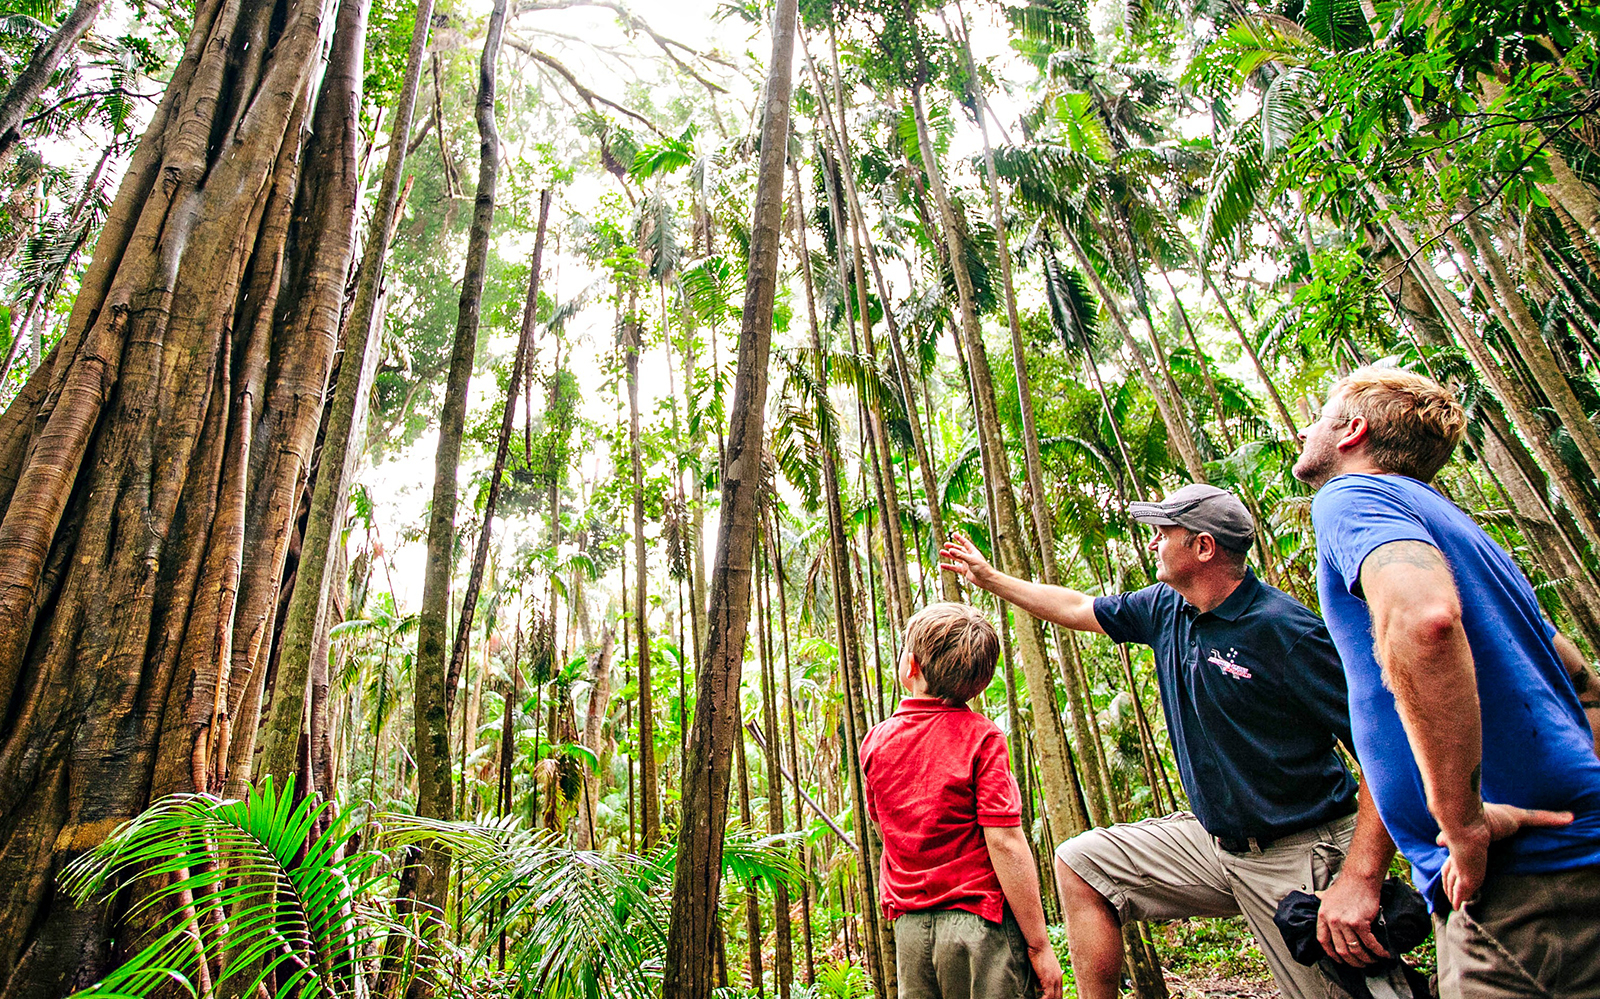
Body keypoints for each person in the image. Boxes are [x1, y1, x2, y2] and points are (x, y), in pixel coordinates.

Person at [939, 486, 1391, 999]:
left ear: (1203, 547)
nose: (1153, 540)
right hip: (1214, 843)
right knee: (1083, 863)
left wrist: (1360, 877)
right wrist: (990, 578)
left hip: (1299, 850)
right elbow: (1077, 606)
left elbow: (1389, 754)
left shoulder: (1285, 630)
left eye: (1164, 531)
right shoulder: (1166, 608)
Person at [1293, 366, 1600, 997]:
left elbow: (1425, 621)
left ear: (1352, 430)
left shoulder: (1350, 497)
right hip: (1570, 853)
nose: (1305, 429)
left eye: (1320, 415)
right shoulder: (1462, 530)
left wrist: (1461, 823)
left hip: (1517, 888)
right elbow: (1580, 676)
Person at [861, 602, 1064, 999]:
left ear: (910, 667)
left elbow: (883, 824)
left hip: (910, 930)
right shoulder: (982, 737)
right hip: (980, 927)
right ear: (981, 681)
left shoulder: (876, 741)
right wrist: (1039, 945)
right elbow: (1004, 840)